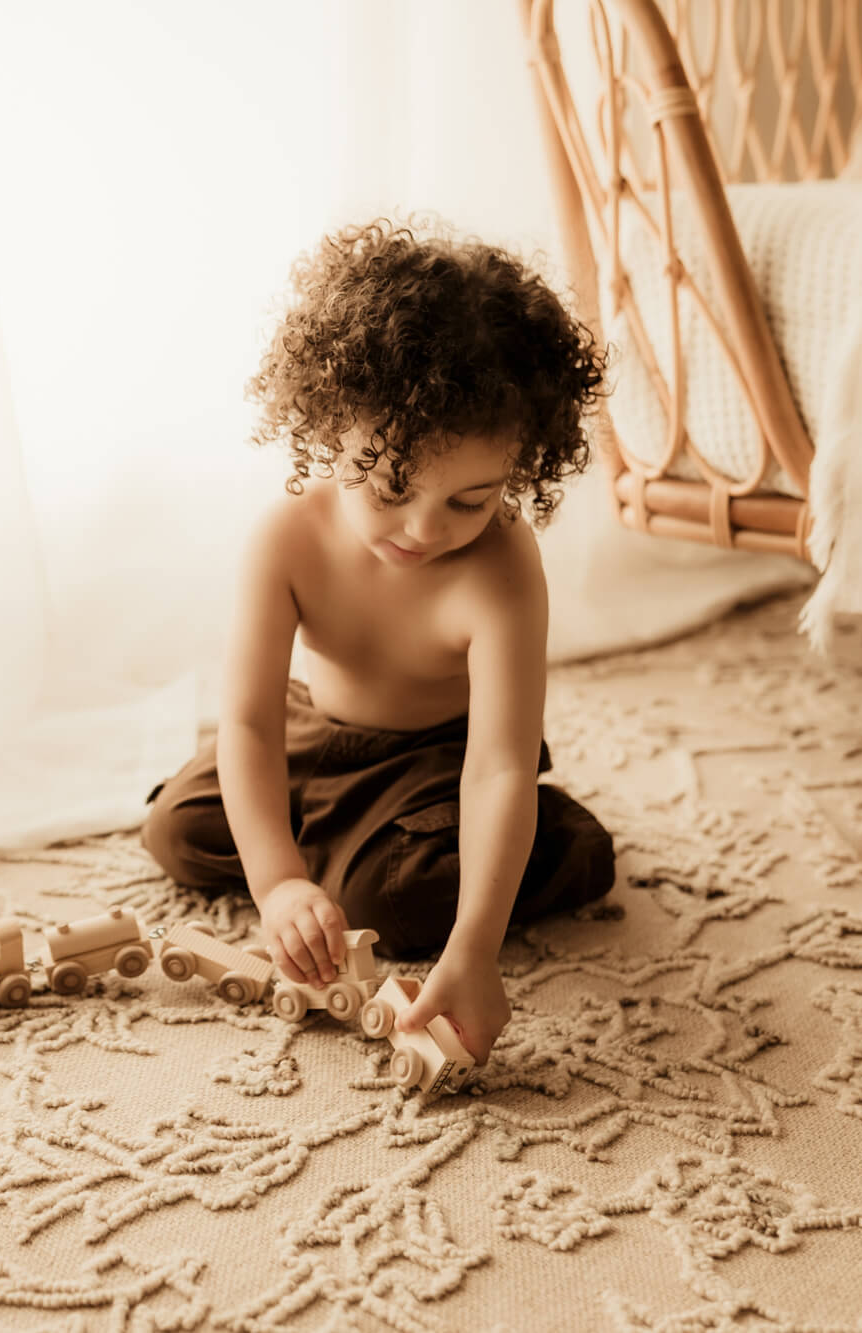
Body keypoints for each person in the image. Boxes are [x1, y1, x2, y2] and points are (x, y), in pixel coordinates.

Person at [142, 216, 616, 1065]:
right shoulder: (286, 538)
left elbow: (498, 765)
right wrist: (279, 883)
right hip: (312, 733)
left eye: (469, 501)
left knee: (393, 901)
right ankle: (320, 861)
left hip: (438, 764)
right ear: (331, 430)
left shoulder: (502, 569)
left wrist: (473, 949)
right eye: (393, 486)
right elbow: (248, 725)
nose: (426, 528)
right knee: (178, 829)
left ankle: (558, 842)